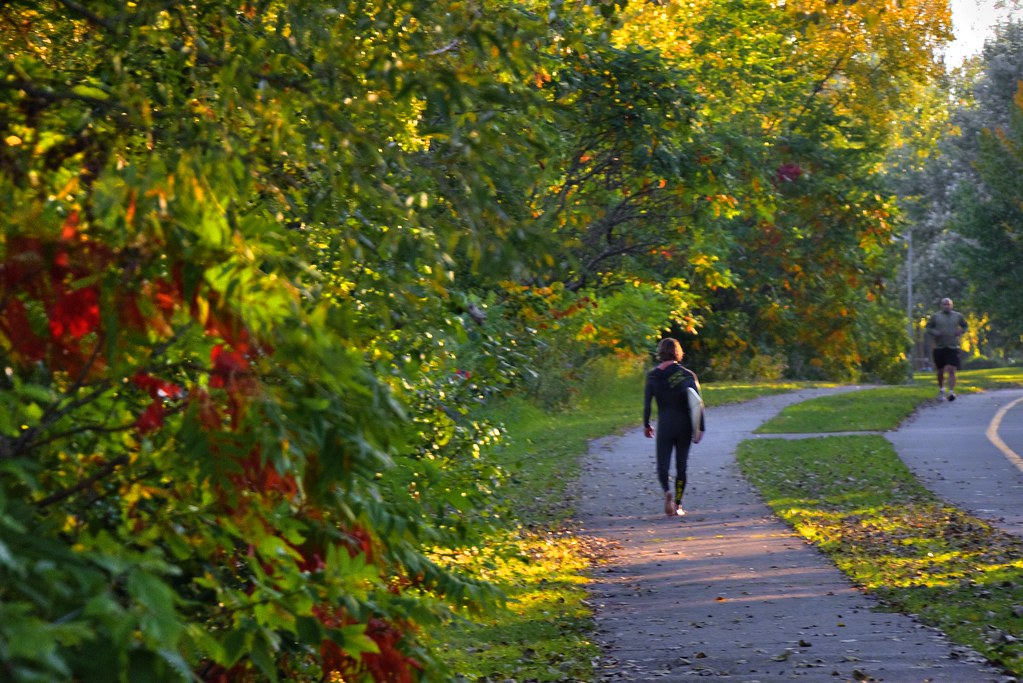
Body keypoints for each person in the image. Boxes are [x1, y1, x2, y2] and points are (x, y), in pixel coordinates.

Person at [643, 338, 705, 517]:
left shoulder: (653, 376)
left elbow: (647, 404)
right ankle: (678, 504)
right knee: (681, 467)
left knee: (662, 466)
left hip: (665, 425)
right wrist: (700, 428)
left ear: (660, 353)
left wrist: (647, 425)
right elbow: (698, 404)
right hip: (684, 426)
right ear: (677, 352)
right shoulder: (687, 375)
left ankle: (666, 492)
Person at [925, 297, 968, 401]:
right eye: (944, 304)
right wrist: (934, 332)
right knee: (940, 371)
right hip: (939, 347)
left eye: (948, 304)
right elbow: (928, 328)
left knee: (952, 370)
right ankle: (942, 390)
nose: (946, 306)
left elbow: (965, 326)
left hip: (953, 346)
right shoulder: (936, 316)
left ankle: (951, 392)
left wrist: (961, 331)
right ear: (941, 306)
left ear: (952, 305)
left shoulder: (957, 316)